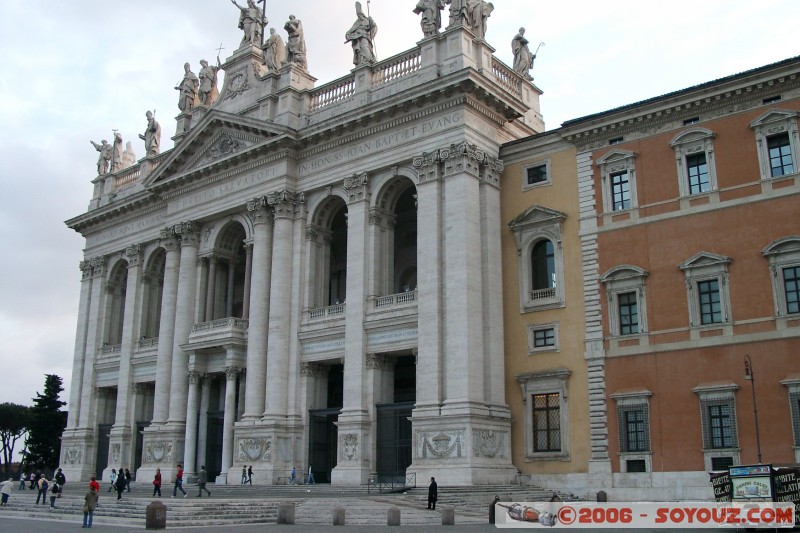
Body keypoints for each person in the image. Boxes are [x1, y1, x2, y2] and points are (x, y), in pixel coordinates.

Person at [345, 1, 377, 67]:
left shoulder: (367, 20)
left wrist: (371, 21)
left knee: (365, 47)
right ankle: (364, 61)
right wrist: (349, 35)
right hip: (360, 37)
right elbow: (350, 31)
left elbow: (373, 27)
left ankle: (368, 59)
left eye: (360, 14)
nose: (359, 15)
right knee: (361, 49)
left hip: (365, 37)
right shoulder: (358, 22)